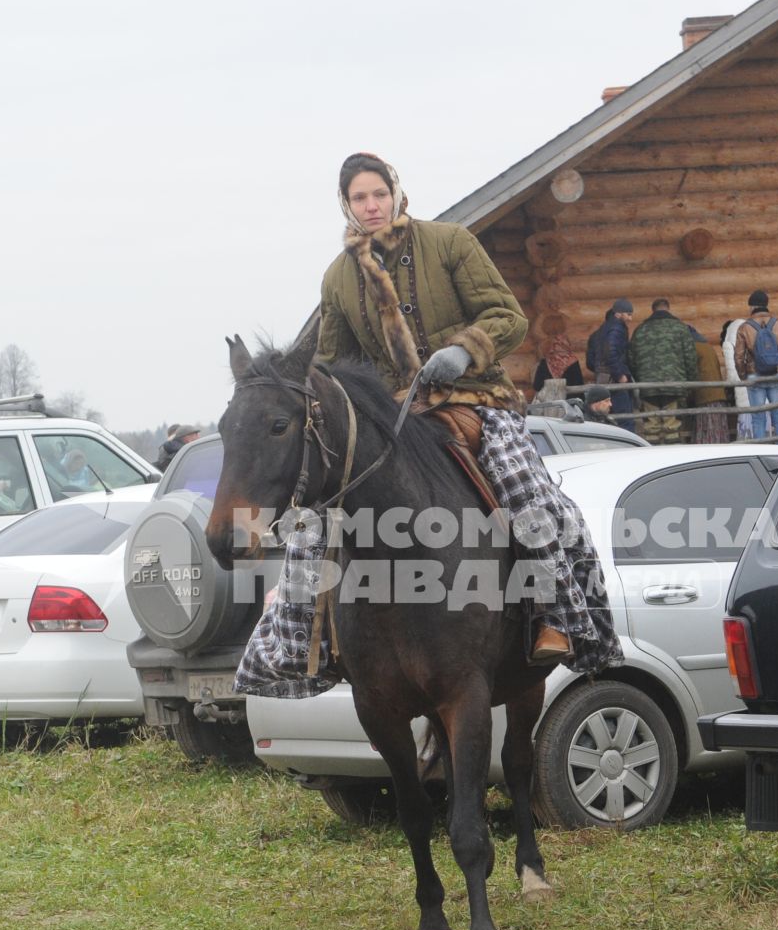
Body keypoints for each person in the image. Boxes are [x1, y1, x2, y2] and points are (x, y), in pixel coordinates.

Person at [237, 151, 621, 699]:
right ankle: (300, 647)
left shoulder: (450, 243)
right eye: (358, 198)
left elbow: (508, 317)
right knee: (314, 524)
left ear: (395, 192)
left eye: (378, 194)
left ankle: (558, 616)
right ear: (345, 205)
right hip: (393, 419)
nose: (371, 206)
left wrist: (465, 352)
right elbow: (333, 366)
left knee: (530, 494)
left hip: (472, 400)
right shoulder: (339, 278)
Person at [626, 297, 699, 444]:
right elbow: (690, 358)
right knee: (672, 427)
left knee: (651, 427)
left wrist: (639, 379)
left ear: (653, 310)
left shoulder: (640, 330)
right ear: (668, 308)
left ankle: (653, 457)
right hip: (675, 386)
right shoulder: (680, 328)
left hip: (648, 388)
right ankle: (673, 459)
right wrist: (691, 383)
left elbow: (631, 359)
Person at [733, 291, 778, 439]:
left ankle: (760, 451)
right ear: (766, 305)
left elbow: (738, 357)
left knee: (758, 418)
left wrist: (744, 377)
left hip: (755, 376)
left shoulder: (744, 327)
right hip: (776, 373)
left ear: (752, 306)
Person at [586, 299, 634, 427]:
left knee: (607, 417)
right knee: (625, 418)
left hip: (603, 377)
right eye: (628, 314)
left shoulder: (604, 330)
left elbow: (591, 361)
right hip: (613, 379)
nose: (630, 318)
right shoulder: (616, 329)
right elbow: (611, 353)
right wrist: (620, 375)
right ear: (618, 314)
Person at [690, 325, 734, 444]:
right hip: (718, 393)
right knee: (717, 429)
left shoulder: (693, 348)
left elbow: (692, 372)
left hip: (705, 395)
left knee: (708, 430)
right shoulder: (707, 346)